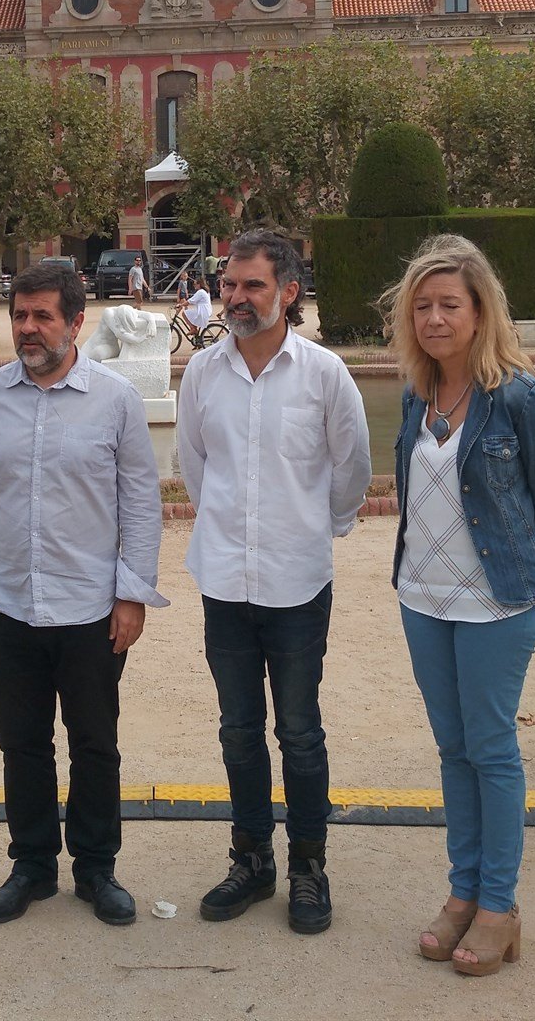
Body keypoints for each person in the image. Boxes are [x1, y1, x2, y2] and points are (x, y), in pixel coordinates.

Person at [0, 260, 165, 927]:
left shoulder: (115, 399)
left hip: (91, 609)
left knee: (95, 744)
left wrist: (132, 594)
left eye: (42, 317)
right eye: (19, 316)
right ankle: (31, 866)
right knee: (22, 744)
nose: (27, 329)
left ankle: (96, 869)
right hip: (7, 607)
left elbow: (141, 504)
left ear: (76, 323)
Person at [378, 234, 535, 978]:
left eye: (449, 305)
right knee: (453, 750)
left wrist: (534, 561)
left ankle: (500, 906)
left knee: (491, 750)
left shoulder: (519, 395)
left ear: (479, 310)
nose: (435, 318)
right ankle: (461, 895)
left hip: (496, 602)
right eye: (422, 306)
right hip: (422, 598)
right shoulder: (415, 393)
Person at [177, 229, 371, 935]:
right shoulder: (202, 374)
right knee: (237, 731)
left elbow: (351, 469)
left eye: (252, 285)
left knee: (300, 733)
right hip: (224, 581)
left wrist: (316, 530)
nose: (235, 297)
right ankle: (251, 861)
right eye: (229, 284)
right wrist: (230, 526)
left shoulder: (324, 374)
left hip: (296, 584)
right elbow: (194, 464)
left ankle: (309, 869)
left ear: (288, 291)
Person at [173, 271, 212, 344]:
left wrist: (180, 305)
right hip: (205, 310)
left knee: (184, 314)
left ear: (199, 284)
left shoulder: (200, 292)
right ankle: (195, 333)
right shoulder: (205, 291)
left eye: (195, 284)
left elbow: (190, 301)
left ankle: (193, 328)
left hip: (203, 311)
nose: (194, 286)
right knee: (192, 315)